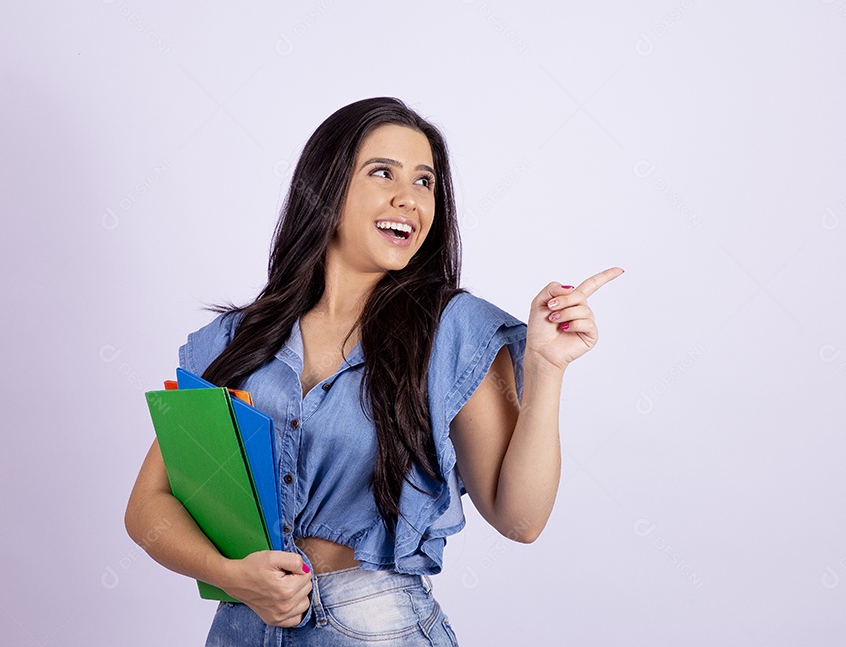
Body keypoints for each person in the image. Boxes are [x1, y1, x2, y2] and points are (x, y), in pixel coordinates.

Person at [124, 96, 623, 646]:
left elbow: (519, 519)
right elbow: (148, 506)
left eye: (425, 182)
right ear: (328, 188)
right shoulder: (239, 339)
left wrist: (546, 368)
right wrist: (233, 578)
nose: (407, 199)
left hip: (375, 629)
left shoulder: (452, 330)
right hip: (243, 627)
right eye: (382, 172)